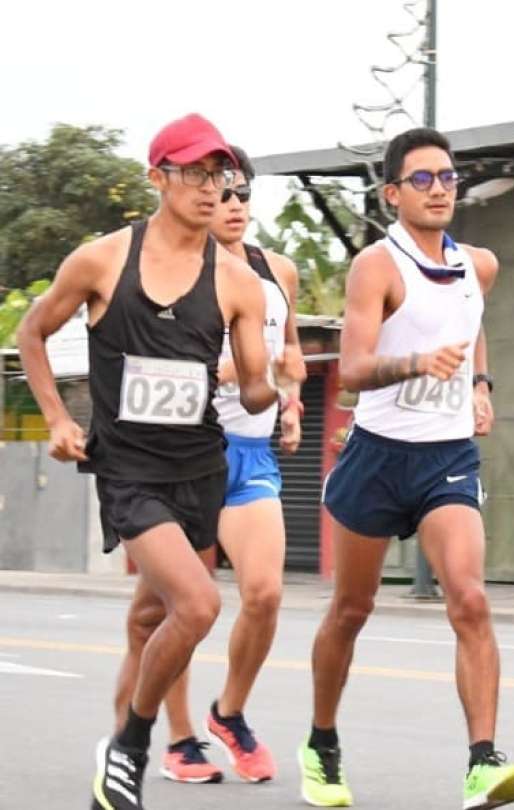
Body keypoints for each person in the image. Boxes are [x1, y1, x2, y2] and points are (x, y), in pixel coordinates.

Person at [16, 113, 278, 810]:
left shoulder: (237, 281)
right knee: (196, 606)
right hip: (129, 471)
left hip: (201, 469)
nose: (209, 188)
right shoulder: (102, 260)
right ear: (157, 177)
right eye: (192, 173)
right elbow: (32, 332)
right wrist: (61, 418)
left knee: (147, 618)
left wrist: (268, 384)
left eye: (218, 175)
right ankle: (130, 746)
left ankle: (134, 729)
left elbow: (253, 383)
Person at [301, 127, 514, 809]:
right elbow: (353, 371)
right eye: (423, 179)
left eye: (449, 177)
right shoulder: (377, 266)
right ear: (393, 193)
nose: (439, 189)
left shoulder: (477, 265)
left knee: (470, 598)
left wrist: (481, 385)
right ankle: (321, 745)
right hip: (377, 456)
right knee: (351, 608)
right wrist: (417, 364)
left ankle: (483, 762)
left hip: (446, 459)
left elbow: (472, 319)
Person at [154, 145, 307, 785]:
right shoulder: (170, 276)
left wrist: (292, 401)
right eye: (222, 192)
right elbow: (159, 368)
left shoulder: (278, 272)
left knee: (265, 593)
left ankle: (230, 713)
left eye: (244, 193)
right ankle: (181, 737)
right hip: (185, 453)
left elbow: (289, 346)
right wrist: (239, 370)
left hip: (249, 453)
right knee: (181, 608)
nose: (235, 204)